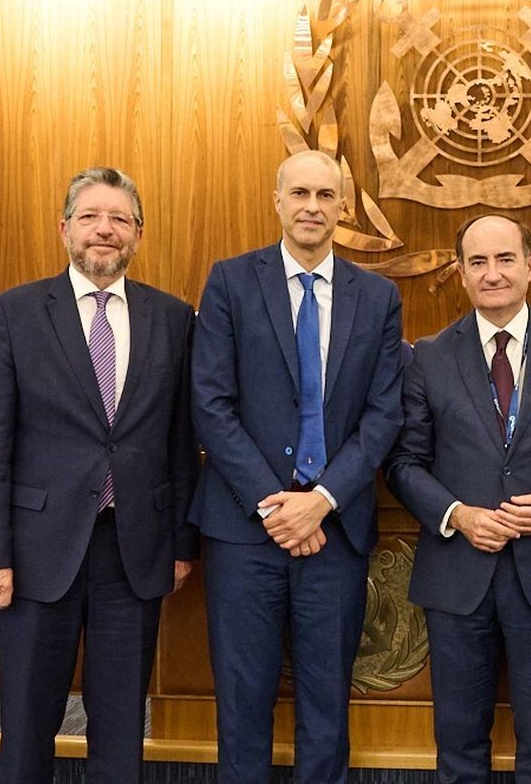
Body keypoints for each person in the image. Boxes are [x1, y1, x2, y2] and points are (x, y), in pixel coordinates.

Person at [0, 167, 199, 781]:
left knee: (122, 726)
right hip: (35, 554)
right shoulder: (12, 313)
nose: (105, 230)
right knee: (28, 724)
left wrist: (179, 545)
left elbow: (180, 440)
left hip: (135, 551)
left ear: (138, 236)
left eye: (120, 219)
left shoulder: (173, 318)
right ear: (65, 228)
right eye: (91, 216)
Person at [190, 149, 404, 783]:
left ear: (343, 207)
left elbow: (384, 414)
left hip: (334, 533)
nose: (312, 206)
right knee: (243, 702)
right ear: (277, 201)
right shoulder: (230, 281)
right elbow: (210, 403)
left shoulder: (378, 295)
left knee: (327, 705)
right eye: (300, 194)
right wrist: (275, 502)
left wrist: (322, 499)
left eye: (326, 195)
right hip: (242, 531)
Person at [387, 214, 531, 783]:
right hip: (458, 576)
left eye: (505, 259)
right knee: (459, 745)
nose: (492, 274)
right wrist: (456, 515)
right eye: (478, 262)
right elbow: (403, 462)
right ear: (461, 273)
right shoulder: (429, 357)